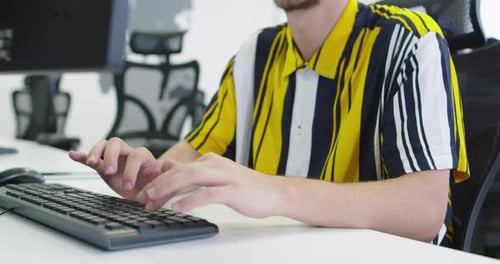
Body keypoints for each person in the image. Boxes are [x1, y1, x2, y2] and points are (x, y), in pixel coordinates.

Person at [69, 0, 469, 246]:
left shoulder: (409, 41)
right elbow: (185, 159)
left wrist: (272, 192)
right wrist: (147, 184)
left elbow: (425, 210)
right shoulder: (254, 54)